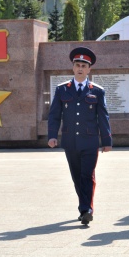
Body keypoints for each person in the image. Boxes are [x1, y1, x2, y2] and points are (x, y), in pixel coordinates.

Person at [48, 47, 112, 225]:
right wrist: (52, 136)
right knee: (77, 176)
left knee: (87, 175)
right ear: (73, 68)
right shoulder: (62, 90)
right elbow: (54, 115)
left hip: (90, 141)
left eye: (84, 65)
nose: (80, 68)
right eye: (77, 65)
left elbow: (103, 117)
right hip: (70, 141)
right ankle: (84, 206)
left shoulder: (97, 91)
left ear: (89, 69)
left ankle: (86, 209)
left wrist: (106, 141)